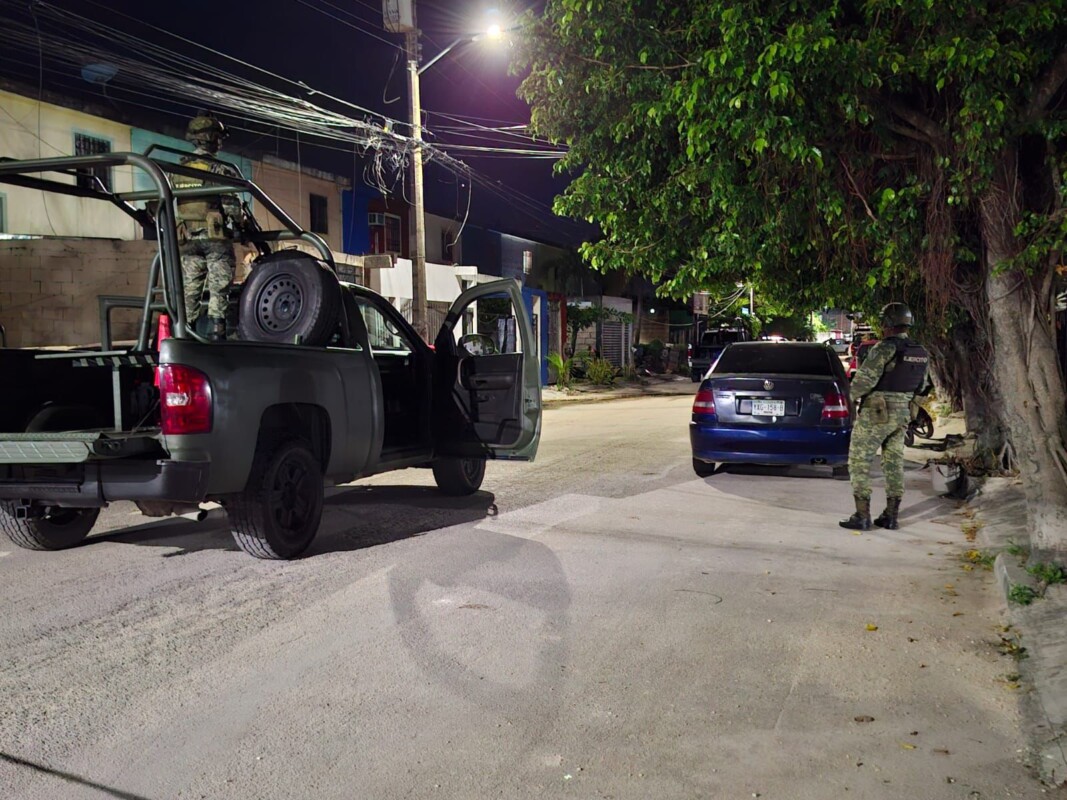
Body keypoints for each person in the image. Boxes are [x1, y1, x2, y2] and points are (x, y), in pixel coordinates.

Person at [839, 302, 931, 531]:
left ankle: (862, 515)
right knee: (894, 463)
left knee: (859, 460)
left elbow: (864, 380)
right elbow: (924, 387)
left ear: (888, 323)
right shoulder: (920, 352)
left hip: (877, 412)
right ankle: (891, 516)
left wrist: (848, 398)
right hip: (902, 414)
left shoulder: (884, 348)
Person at [174, 111, 244, 341]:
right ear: (212, 138)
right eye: (218, 137)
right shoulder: (219, 167)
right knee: (219, 281)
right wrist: (239, 226)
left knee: (190, 287)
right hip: (213, 237)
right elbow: (231, 203)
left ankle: (187, 330)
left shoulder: (179, 167)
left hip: (187, 237)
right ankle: (216, 330)